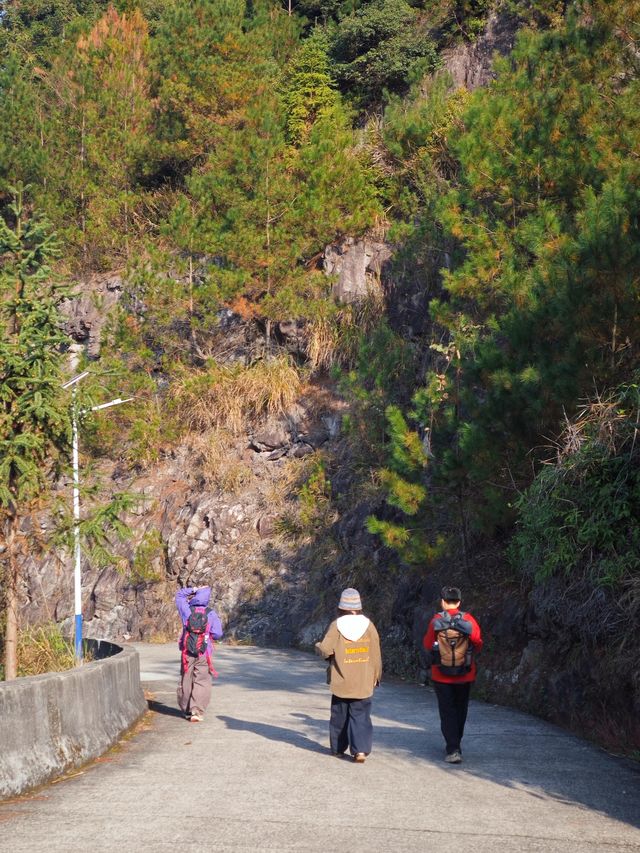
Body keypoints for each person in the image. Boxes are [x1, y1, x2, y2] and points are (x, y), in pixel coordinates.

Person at [315, 588, 382, 763]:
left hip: (341, 681)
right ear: (359, 605)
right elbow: (376, 654)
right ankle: (360, 751)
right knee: (361, 716)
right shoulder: (369, 626)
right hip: (363, 681)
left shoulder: (337, 625)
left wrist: (318, 645)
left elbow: (326, 650)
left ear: (341, 606)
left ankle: (338, 749)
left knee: (339, 717)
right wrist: (377, 675)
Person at [422, 585, 483, 764]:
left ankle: (452, 748)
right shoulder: (469, 620)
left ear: (442, 602)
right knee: (460, 709)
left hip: (441, 674)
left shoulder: (435, 621)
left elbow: (427, 645)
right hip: (465, 674)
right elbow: (478, 643)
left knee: (447, 710)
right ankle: (456, 743)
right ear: (459, 602)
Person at [175, 585, 223, 723]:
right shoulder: (211, 613)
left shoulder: (186, 610)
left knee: (186, 678)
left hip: (187, 651)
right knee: (202, 680)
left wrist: (194, 589)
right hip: (204, 652)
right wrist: (207, 635)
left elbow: (179, 595)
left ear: (195, 596)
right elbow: (218, 633)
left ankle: (186, 709)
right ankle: (197, 711)